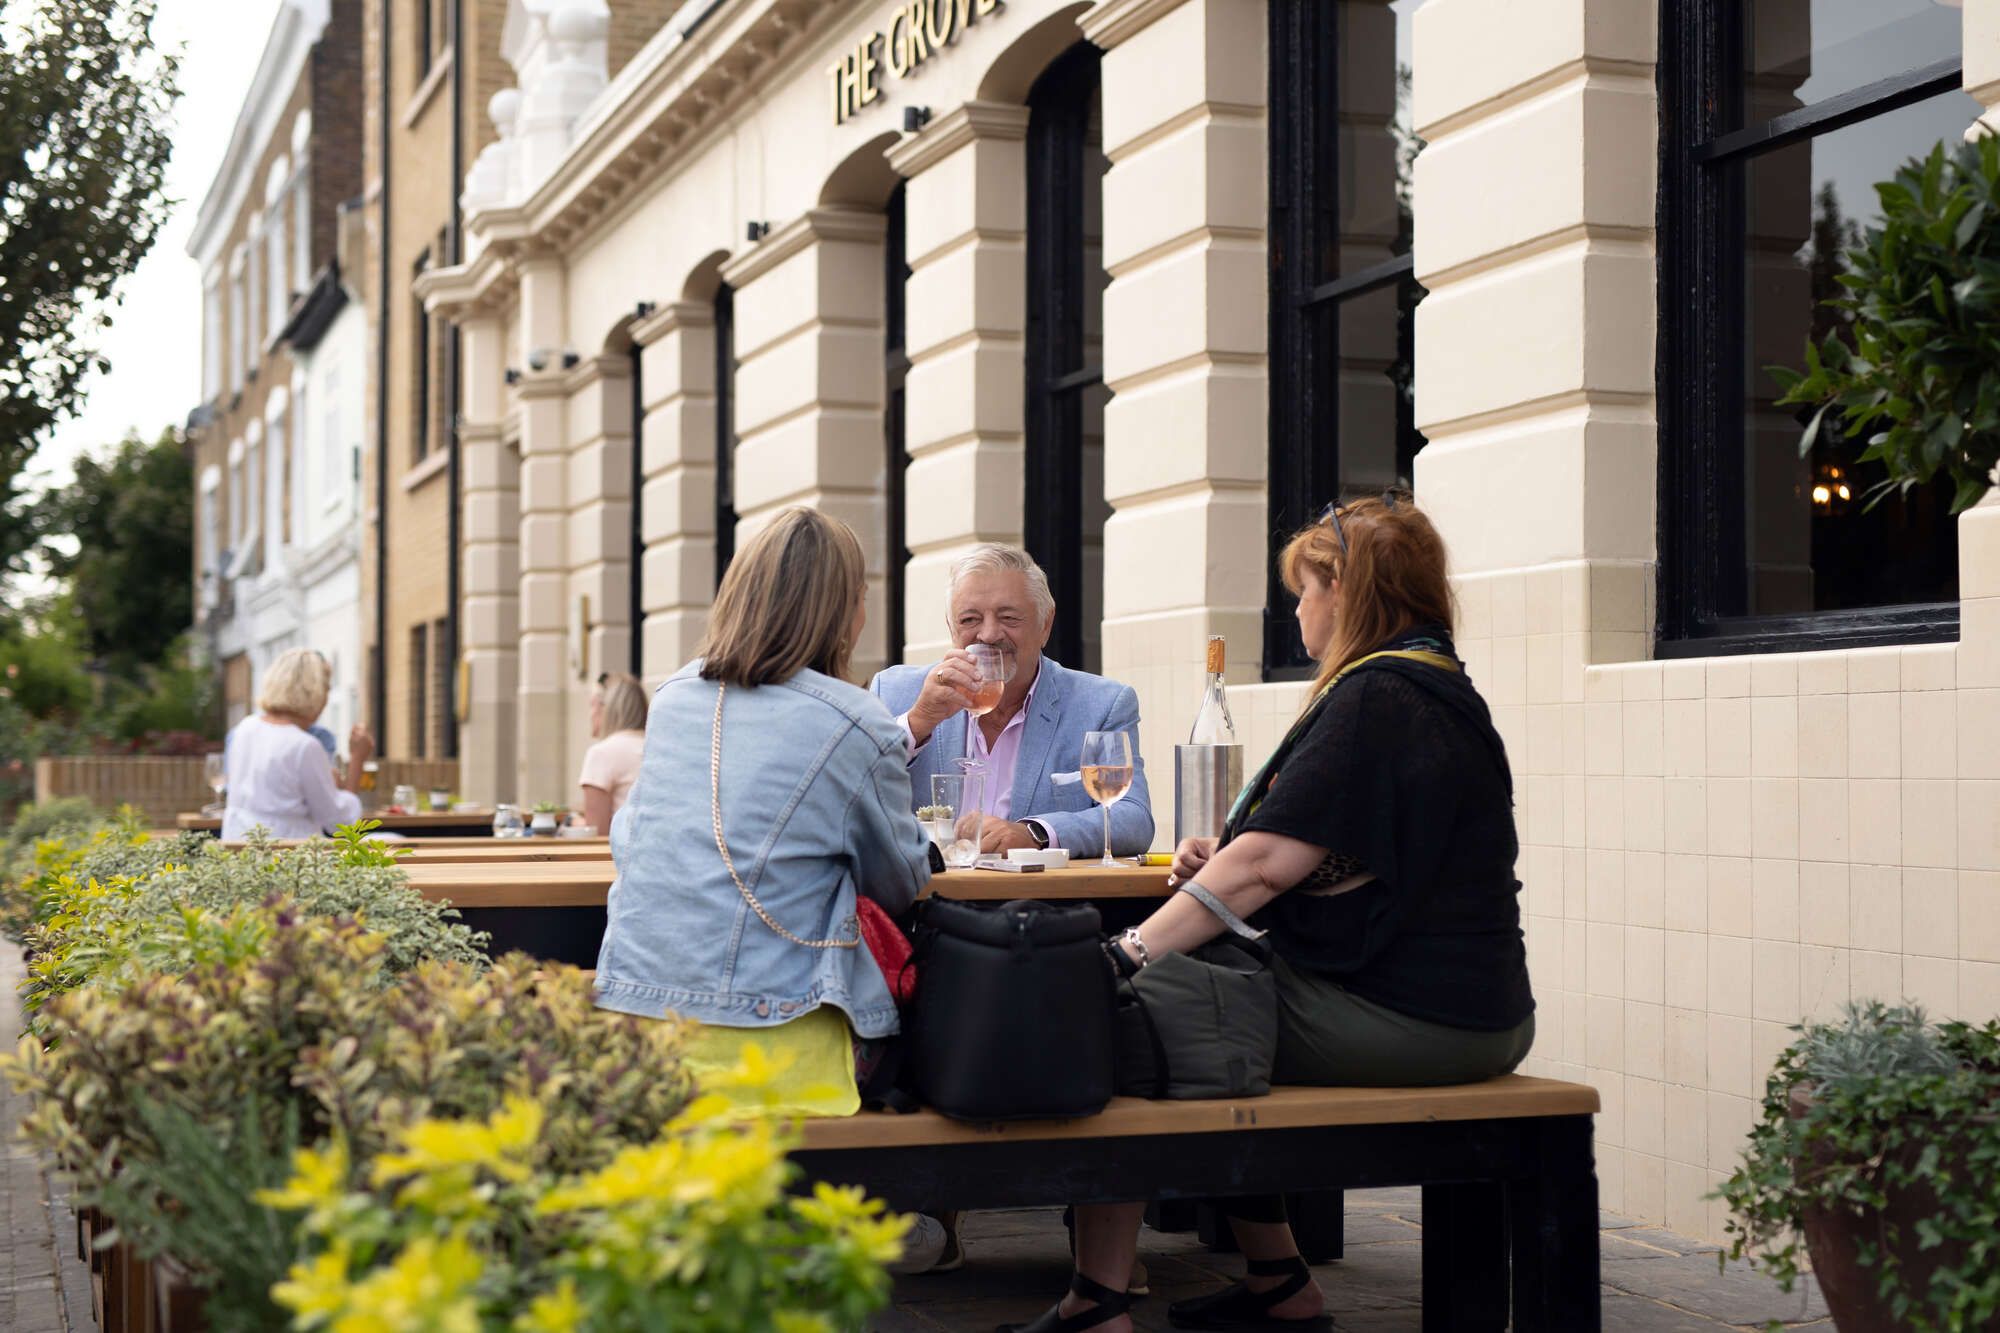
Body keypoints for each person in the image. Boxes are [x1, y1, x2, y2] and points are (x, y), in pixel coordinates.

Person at [1012, 495, 1537, 1333]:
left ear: (1349, 592)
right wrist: (1216, 864)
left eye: (1307, 589)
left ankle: (1098, 1301)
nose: (1298, 608)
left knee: (1131, 1017)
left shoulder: (1380, 698)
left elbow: (1260, 868)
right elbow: (1314, 854)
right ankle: (1278, 1280)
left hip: (1425, 1014)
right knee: (1210, 1012)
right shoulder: (1431, 687)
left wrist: (1125, 951)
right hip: (1471, 1004)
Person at [869, 543, 1153, 858]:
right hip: (929, 898)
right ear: (951, 628)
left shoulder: (1103, 704)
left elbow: (1133, 819)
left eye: (1008, 617)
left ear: (1045, 624)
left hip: (1037, 902)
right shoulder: (896, 692)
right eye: (969, 620)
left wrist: (1035, 834)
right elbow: (850, 796)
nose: (989, 634)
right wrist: (919, 721)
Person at [222, 648, 376, 840]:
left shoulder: (244, 729)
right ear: (315, 692)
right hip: (288, 855)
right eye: (327, 689)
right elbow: (339, 823)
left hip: (239, 847)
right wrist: (357, 760)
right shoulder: (304, 746)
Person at [576, 671, 649, 832]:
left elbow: (597, 832)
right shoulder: (655, 746)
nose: (590, 714)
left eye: (592, 705)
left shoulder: (602, 754)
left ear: (606, 708)